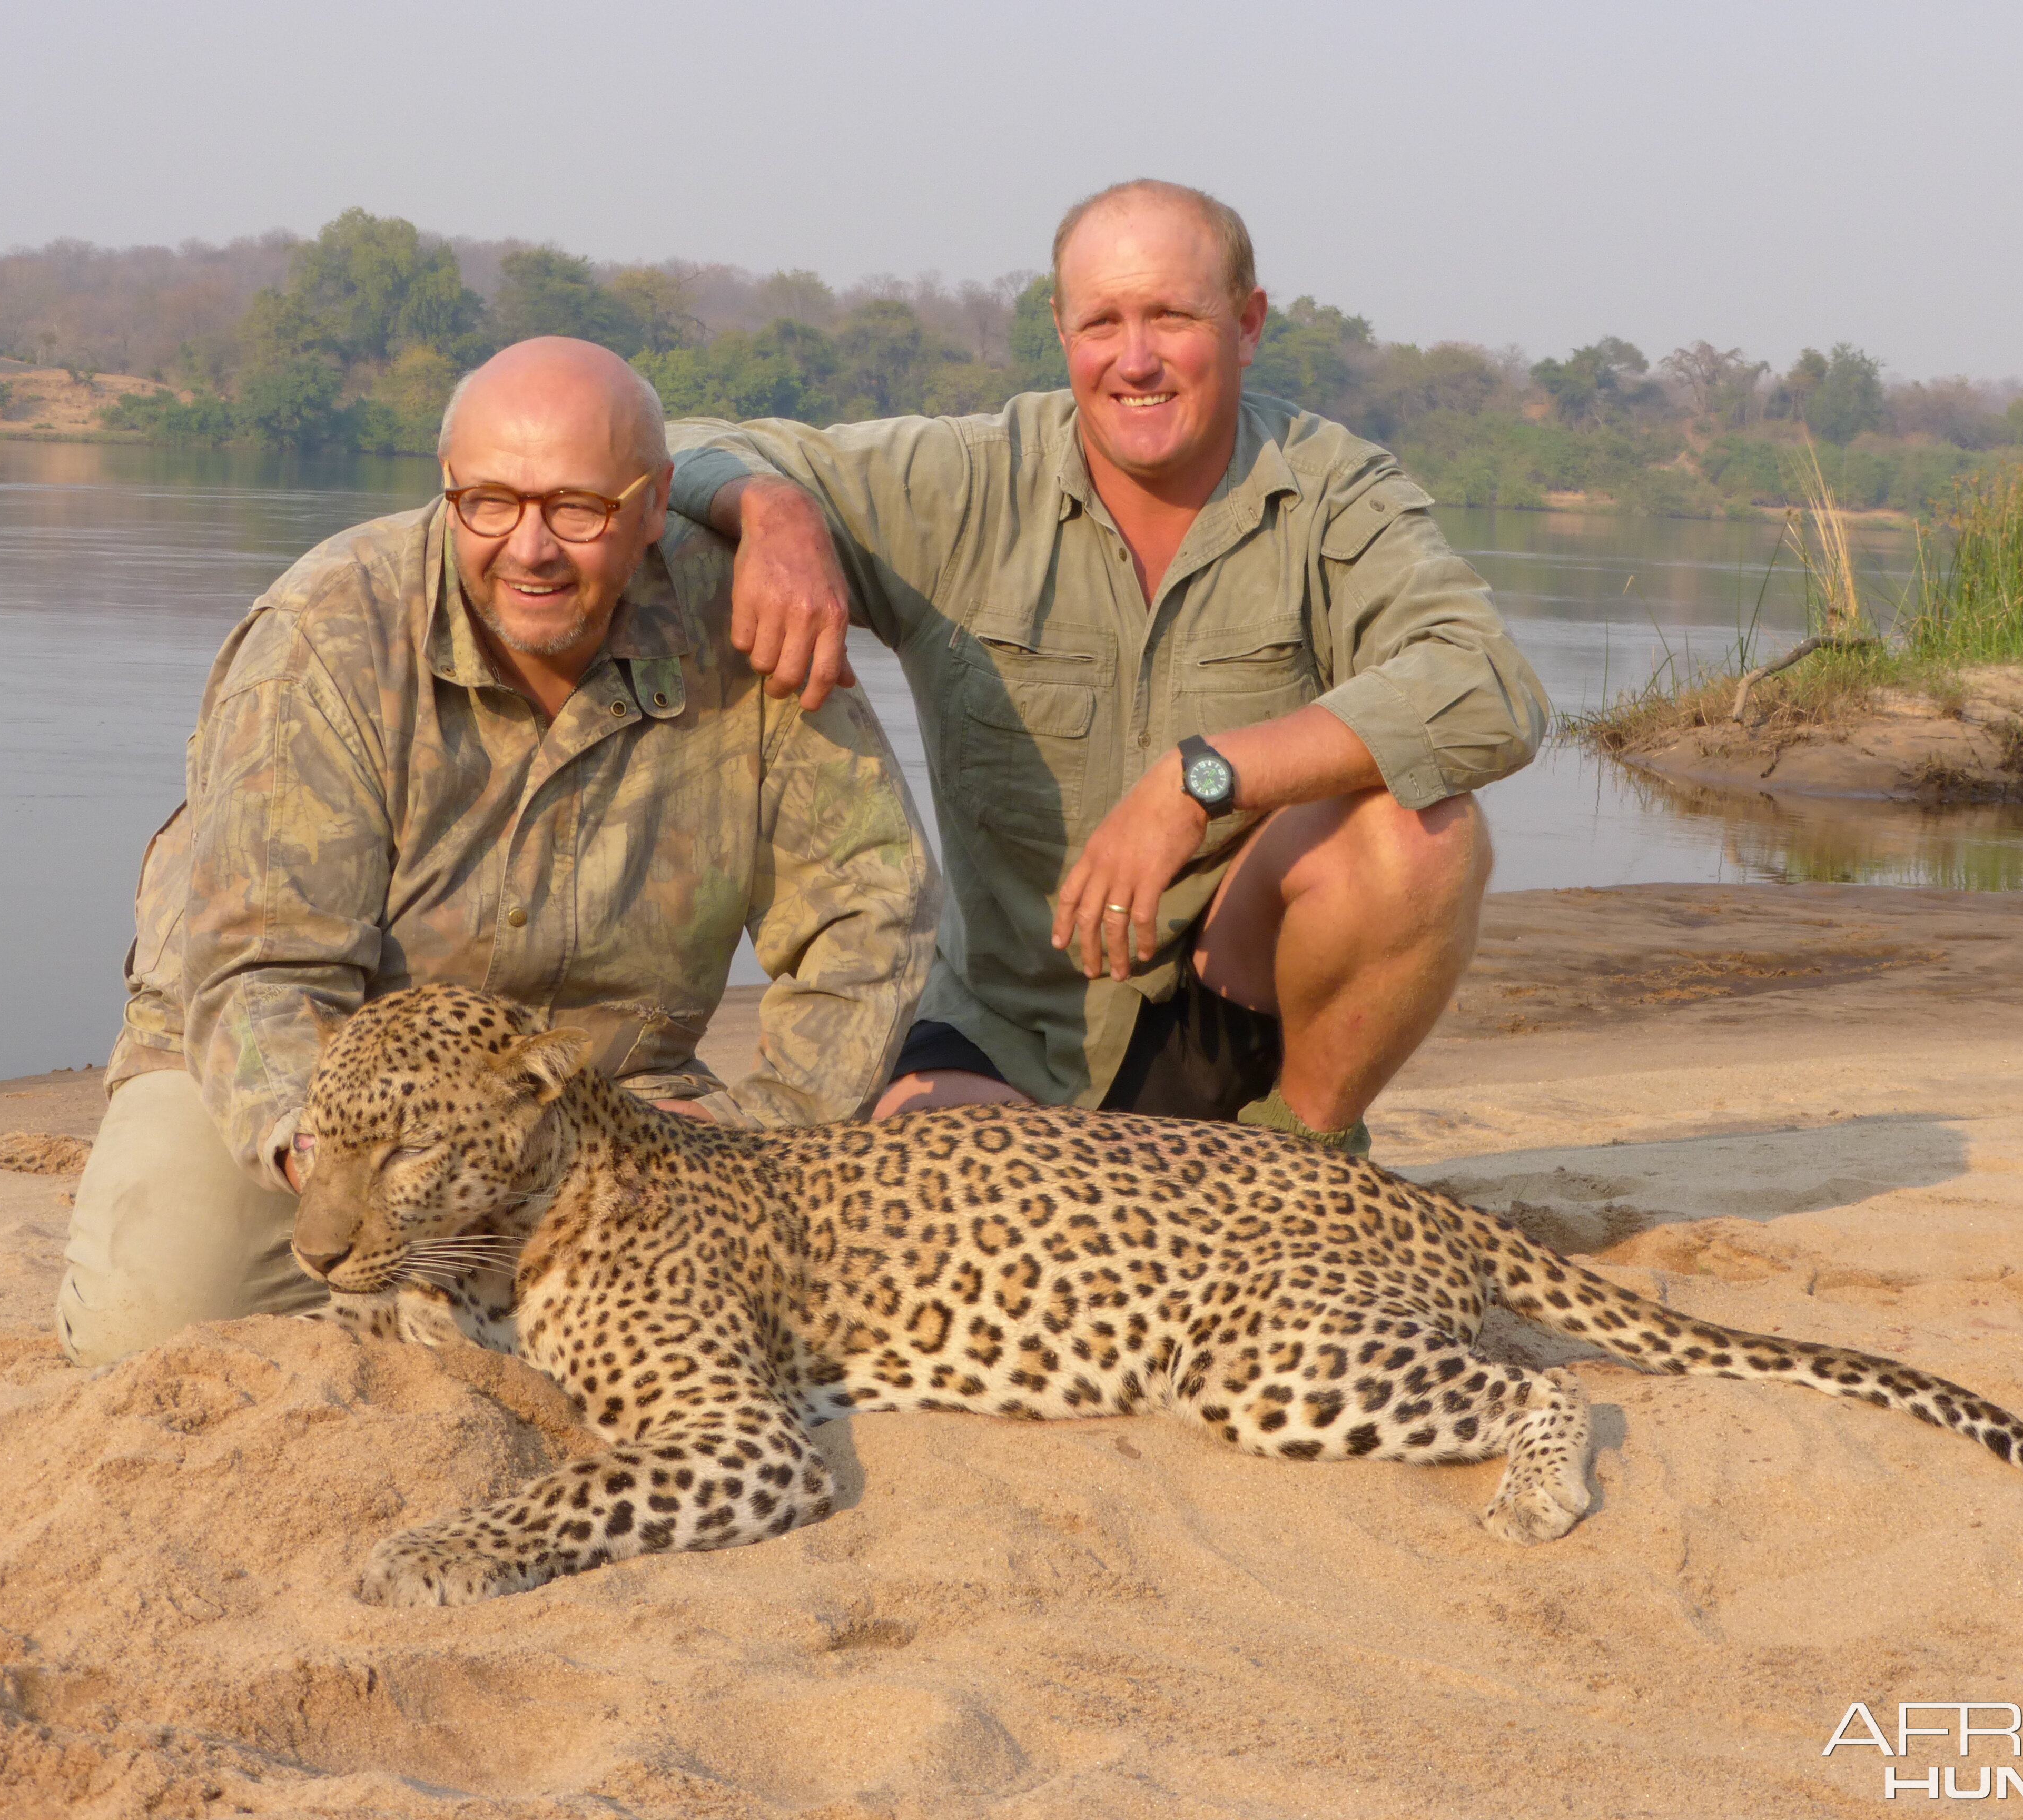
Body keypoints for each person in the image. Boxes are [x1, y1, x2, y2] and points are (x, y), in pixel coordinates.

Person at [56, 337, 939, 1368]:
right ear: (447, 492)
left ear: (653, 507)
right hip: (307, 1104)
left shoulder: (744, 621)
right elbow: (262, 969)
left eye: (578, 509)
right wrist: (337, 1164)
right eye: (491, 504)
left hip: (599, 1098)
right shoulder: (325, 635)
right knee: (149, 1334)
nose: (531, 548)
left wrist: (759, 1137)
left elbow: (872, 912)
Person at [664, 179, 1548, 1152]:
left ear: (1246, 326)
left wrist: (1196, 779)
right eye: (1102, 322)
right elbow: (670, 444)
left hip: (1232, 998)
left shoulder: (1334, 489)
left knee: (1422, 828)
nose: (1135, 360)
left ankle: (1305, 1157)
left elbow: (1485, 685)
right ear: (1060, 330)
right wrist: (772, 511)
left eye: (1171, 316)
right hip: (1010, 1031)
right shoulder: (961, 483)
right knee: (957, 1212)